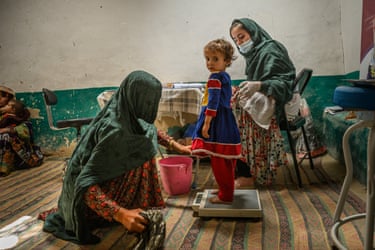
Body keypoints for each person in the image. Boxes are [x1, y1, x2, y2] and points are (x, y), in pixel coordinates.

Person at [40, 71, 168, 247]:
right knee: (142, 152)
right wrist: (120, 214)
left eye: (154, 100)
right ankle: (119, 211)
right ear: (134, 98)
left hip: (105, 190)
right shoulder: (115, 132)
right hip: (86, 203)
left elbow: (151, 130)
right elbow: (83, 185)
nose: (152, 106)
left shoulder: (128, 115)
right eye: (147, 101)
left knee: (144, 143)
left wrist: (178, 146)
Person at [229, 18, 296, 187]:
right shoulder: (254, 55)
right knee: (230, 101)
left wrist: (259, 85)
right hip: (267, 98)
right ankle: (244, 168)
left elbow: (284, 85)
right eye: (236, 40)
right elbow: (255, 85)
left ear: (253, 32)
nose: (239, 43)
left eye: (242, 37)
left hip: (279, 102)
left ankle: (246, 173)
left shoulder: (271, 49)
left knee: (232, 111)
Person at [191, 38, 241, 204]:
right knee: (226, 158)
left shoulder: (214, 78)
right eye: (207, 59)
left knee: (219, 160)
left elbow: (212, 103)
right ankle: (226, 189)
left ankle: (226, 195)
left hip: (217, 122)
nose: (210, 63)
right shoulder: (225, 76)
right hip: (227, 120)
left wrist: (206, 123)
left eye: (215, 59)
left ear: (226, 61)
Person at [0, 86, 43, 176]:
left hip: (18, 149)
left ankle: (4, 167)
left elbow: (26, 129)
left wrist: (8, 130)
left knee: (5, 136)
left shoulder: (17, 112)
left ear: (7, 97)